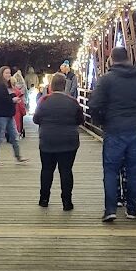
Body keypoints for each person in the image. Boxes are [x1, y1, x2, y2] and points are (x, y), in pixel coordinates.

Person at [89, 47, 136, 222]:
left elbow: (94, 105)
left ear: (112, 59)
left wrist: (102, 121)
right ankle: (132, 209)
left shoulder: (106, 80)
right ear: (128, 58)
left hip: (113, 129)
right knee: (134, 170)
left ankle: (111, 209)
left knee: (111, 170)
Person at [33, 73, 84, 210]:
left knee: (46, 170)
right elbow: (80, 120)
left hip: (48, 140)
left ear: (51, 85)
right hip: (69, 141)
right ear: (64, 85)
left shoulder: (43, 101)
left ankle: (44, 199)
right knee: (66, 171)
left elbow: (36, 119)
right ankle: (67, 202)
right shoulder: (72, 102)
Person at [0, 66, 30, 166]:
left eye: (9, 73)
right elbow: (1, 99)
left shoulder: (8, 85)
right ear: (1, 74)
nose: (8, 75)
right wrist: (12, 100)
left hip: (9, 114)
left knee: (14, 135)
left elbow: (10, 96)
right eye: (6, 73)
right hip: (0, 115)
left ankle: (18, 156)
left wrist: (16, 98)